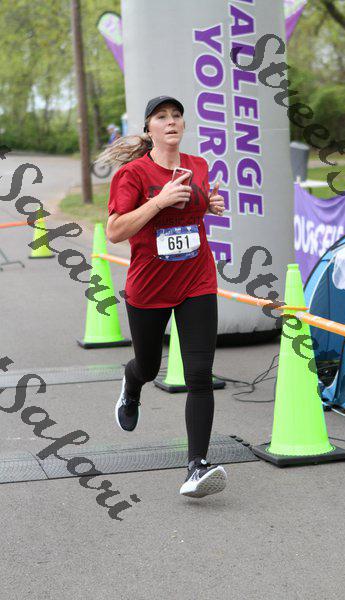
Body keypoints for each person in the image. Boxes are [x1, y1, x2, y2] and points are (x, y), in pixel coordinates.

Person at [104, 96, 227, 498]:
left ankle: (196, 467)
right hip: (150, 286)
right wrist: (159, 201)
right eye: (162, 117)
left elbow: (189, 215)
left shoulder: (199, 166)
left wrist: (208, 205)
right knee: (148, 365)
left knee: (199, 375)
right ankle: (131, 382)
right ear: (149, 128)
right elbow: (115, 231)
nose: (171, 121)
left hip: (196, 281)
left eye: (176, 116)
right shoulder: (133, 174)